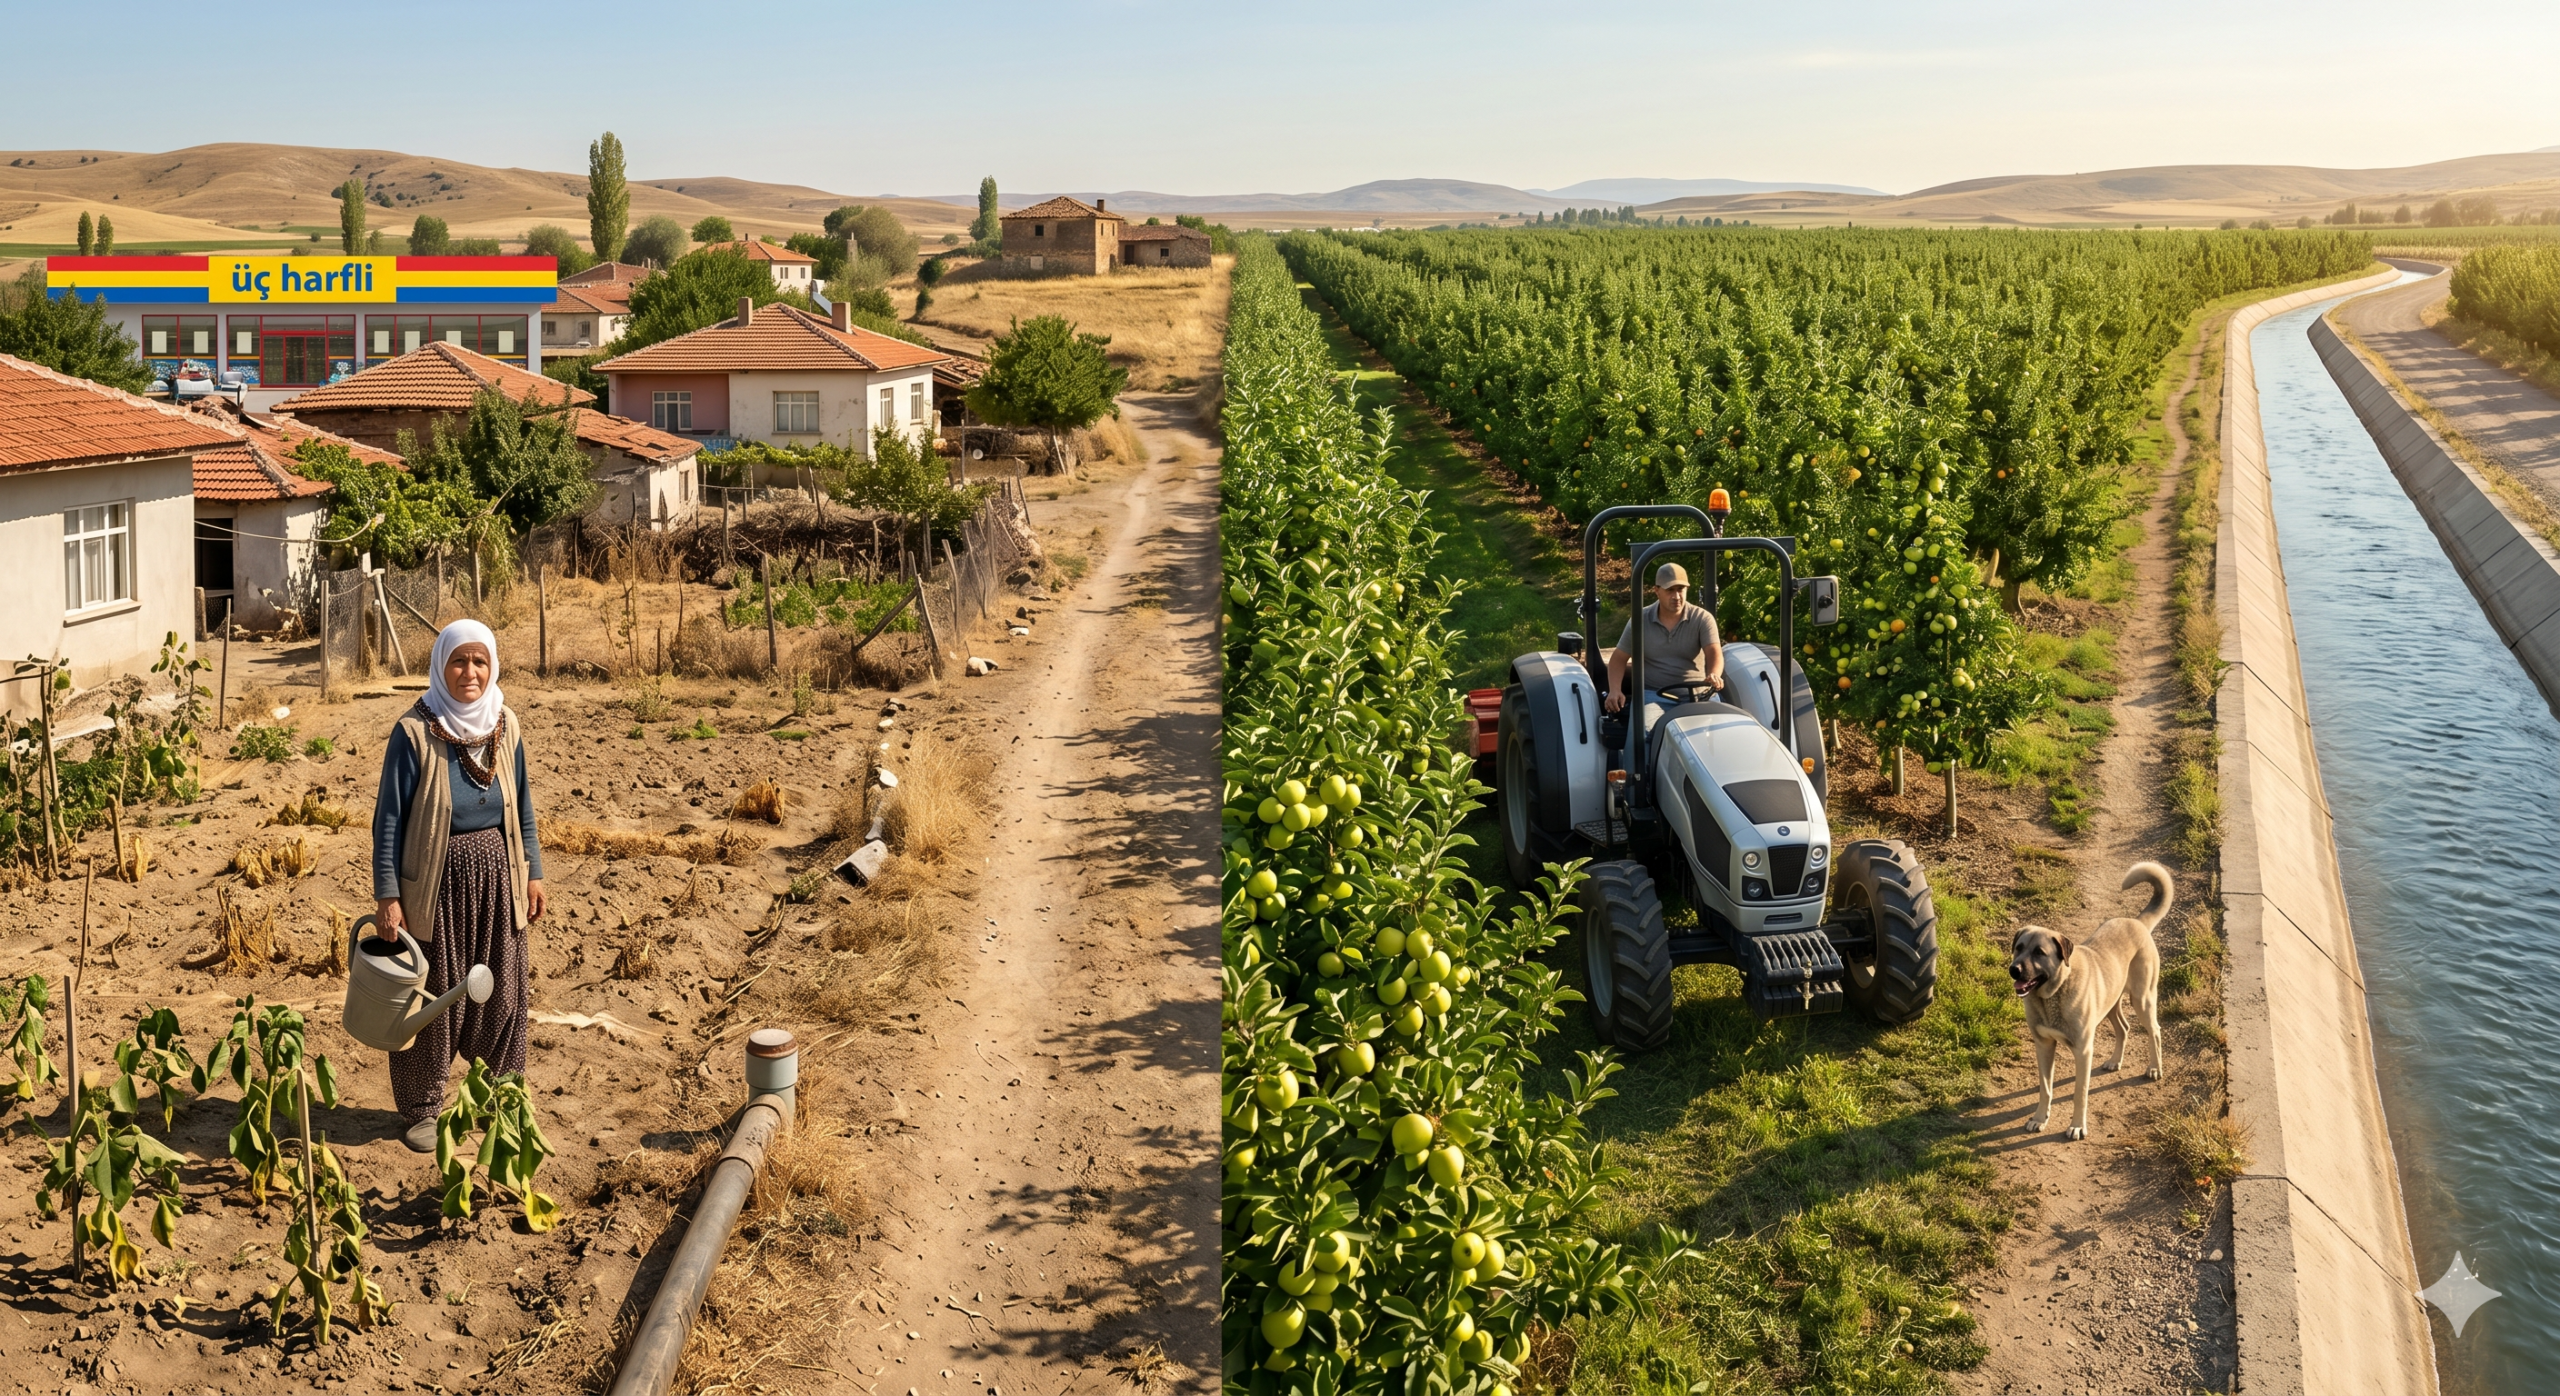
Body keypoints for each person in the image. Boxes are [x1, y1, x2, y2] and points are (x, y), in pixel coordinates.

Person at [371, 620, 547, 1153]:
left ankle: (502, 1097)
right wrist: (387, 896)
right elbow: (388, 822)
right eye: (458, 662)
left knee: (504, 991)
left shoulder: (505, 724)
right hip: (435, 891)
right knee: (433, 996)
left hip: (498, 882)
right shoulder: (413, 733)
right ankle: (423, 1109)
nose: (470, 673)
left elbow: (523, 807)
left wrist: (533, 873)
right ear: (441, 666)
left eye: (479, 661)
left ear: (492, 665)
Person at [1603, 562, 1725, 714]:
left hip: (1698, 695)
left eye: (1680, 589)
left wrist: (1714, 674)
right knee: (1644, 733)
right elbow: (1618, 658)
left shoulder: (1702, 618)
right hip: (1654, 696)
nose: (1676, 596)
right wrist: (1615, 690)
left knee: (1718, 730)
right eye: (1670, 590)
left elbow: (1714, 652)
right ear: (1657, 591)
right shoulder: (1640, 620)